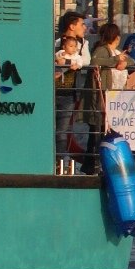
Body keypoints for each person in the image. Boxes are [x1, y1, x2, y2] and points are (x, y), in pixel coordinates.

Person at [53, 10, 90, 167]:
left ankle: (59, 162)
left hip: (69, 92)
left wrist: (73, 63)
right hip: (52, 91)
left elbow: (87, 61)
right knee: (49, 127)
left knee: (62, 130)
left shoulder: (83, 44)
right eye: (82, 24)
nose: (85, 28)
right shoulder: (55, 42)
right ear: (72, 26)